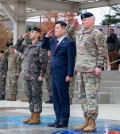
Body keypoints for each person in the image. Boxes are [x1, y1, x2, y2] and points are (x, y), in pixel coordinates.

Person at [70, 12, 107, 132]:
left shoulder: (97, 34)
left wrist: (99, 66)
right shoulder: (80, 33)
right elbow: (68, 34)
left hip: (91, 70)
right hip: (80, 70)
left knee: (91, 96)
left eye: (85, 20)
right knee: (82, 97)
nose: (82, 22)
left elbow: (102, 51)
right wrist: (73, 25)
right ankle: (86, 120)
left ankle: (92, 122)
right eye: (82, 20)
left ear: (92, 21)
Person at [41, 21, 76, 128]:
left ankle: (64, 120)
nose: (55, 30)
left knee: (63, 98)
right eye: (54, 28)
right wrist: (47, 36)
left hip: (63, 74)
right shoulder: (53, 41)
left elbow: (71, 60)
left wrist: (69, 74)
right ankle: (58, 119)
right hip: (53, 74)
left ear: (64, 29)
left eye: (57, 28)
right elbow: (43, 45)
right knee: (55, 98)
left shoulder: (68, 43)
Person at [15, 26, 48, 125]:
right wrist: (22, 38)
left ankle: (37, 116)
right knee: (29, 96)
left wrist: (42, 74)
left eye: (33, 32)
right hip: (27, 75)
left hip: (35, 75)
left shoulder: (40, 46)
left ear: (38, 34)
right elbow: (16, 46)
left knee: (36, 95)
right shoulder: (27, 46)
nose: (30, 33)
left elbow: (43, 62)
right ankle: (32, 115)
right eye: (30, 32)